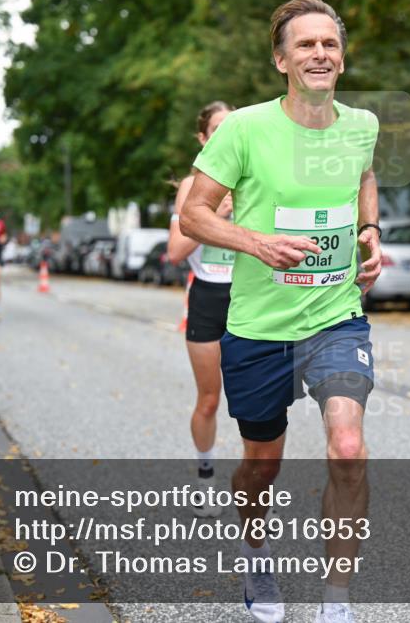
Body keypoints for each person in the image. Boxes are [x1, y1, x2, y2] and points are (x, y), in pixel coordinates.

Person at [181, 0, 382, 623]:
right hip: (257, 327)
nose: (319, 53)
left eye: (329, 44)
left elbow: (363, 178)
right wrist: (256, 242)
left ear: (342, 59)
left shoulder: (363, 125)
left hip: (335, 318)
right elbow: (194, 213)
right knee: (259, 468)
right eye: (305, 44)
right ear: (281, 59)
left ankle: (336, 600)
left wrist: (370, 230)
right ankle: (255, 552)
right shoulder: (244, 129)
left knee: (348, 447)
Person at [167, 100, 236, 518]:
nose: (226, 136)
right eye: (218, 129)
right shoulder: (191, 189)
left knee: (258, 401)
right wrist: (213, 215)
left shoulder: (254, 179)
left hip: (251, 298)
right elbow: (175, 251)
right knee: (210, 400)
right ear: (204, 138)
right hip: (208, 298)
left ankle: (254, 483)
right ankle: (206, 476)